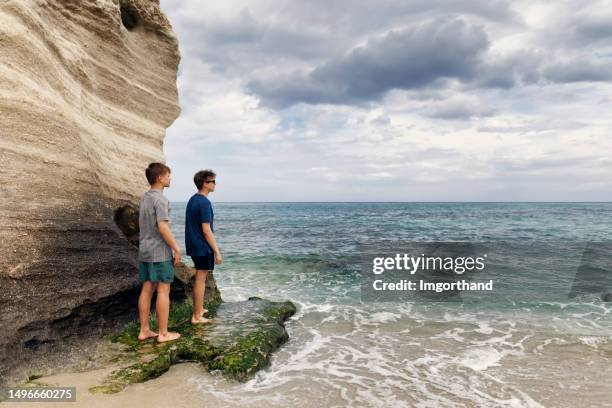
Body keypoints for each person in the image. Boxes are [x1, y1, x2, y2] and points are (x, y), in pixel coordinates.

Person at [137, 162, 182, 343]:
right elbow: (163, 227)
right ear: (160, 178)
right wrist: (176, 248)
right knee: (164, 290)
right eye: (168, 175)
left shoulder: (145, 197)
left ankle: (144, 330)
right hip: (159, 252)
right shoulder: (161, 199)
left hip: (145, 250)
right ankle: (163, 334)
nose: (170, 178)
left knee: (147, 289)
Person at [185, 169, 223, 324]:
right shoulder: (204, 202)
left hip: (194, 244)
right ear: (204, 184)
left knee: (201, 277)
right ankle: (196, 316)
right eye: (213, 181)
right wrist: (217, 252)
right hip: (202, 246)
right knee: (200, 279)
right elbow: (206, 230)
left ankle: (199, 309)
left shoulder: (193, 199)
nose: (215, 184)